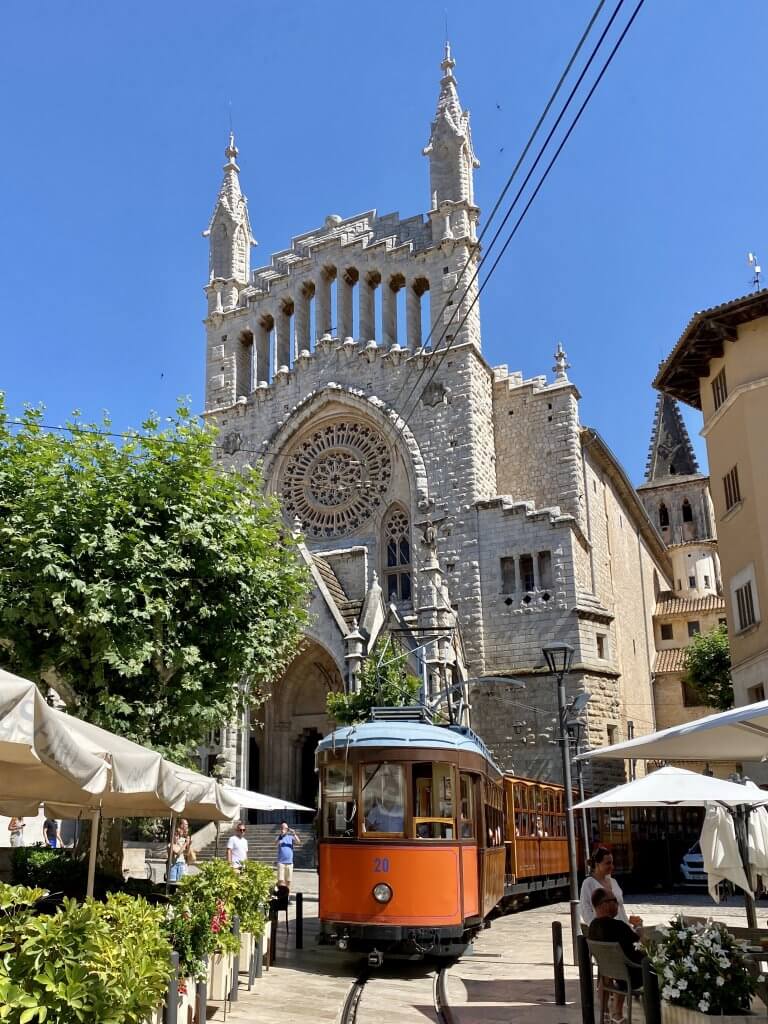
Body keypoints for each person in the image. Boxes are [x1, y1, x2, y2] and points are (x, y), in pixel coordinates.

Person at [588, 886, 644, 1022]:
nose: (617, 904)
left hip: (609, 972)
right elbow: (641, 944)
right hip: (634, 974)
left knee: (616, 968)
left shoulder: (593, 927)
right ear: (604, 904)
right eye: (615, 900)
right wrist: (639, 926)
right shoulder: (619, 926)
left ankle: (611, 1013)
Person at [580, 846, 642, 928]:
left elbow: (620, 910)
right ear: (597, 864)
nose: (612, 866)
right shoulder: (588, 883)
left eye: (612, 863)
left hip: (623, 929)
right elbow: (586, 912)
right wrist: (599, 930)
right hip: (605, 933)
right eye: (608, 863)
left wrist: (629, 922)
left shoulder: (614, 882)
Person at [276, 821, 301, 886]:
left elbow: (298, 842)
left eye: (286, 828)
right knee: (280, 881)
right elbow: (276, 843)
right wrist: (281, 835)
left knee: (288, 881)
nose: (284, 829)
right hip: (281, 862)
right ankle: (280, 894)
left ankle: (287, 895)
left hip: (289, 862)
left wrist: (294, 834)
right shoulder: (279, 837)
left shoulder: (291, 837)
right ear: (281, 828)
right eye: (282, 827)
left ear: (288, 829)